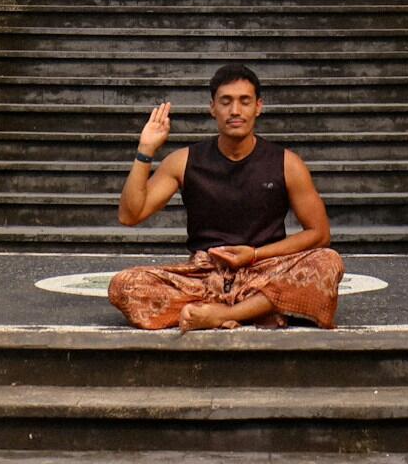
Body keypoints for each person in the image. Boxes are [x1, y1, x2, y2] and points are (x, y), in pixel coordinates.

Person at [107, 64, 344, 331]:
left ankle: (218, 315)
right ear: (212, 108)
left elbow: (320, 233)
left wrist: (254, 255)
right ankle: (257, 309)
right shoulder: (184, 161)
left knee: (326, 261)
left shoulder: (287, 163)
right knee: (124, 285)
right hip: (205, 277)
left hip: (266, 269)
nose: (235, 111)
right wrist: (145, 151)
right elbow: (130, 215)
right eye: (226, 102)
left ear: (258, 106)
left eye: (244, 101)